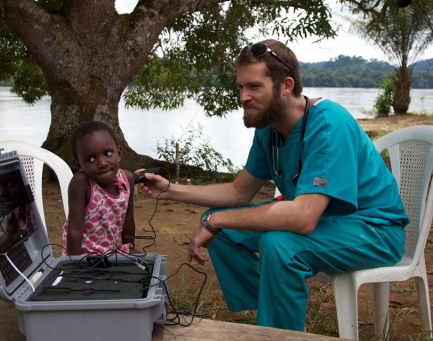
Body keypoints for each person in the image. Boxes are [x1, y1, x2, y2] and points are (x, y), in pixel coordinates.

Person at [137, 39, 409, 331]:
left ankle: (278, 332)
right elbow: (238, 191)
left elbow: (303, 218)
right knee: (222, 227)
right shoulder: (269, 129)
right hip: (325, 224)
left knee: (279, 244)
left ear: (286, 85)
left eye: (254, 87)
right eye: (240, 87)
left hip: (374, 231)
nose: (243, 96)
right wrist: (170, 190)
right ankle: (272, 314)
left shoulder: (329, 124)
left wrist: (217, 219)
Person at [62, 120, 136, 256]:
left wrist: (129, 251)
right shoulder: (81, 183)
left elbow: (128, 220)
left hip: (112, 255)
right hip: (84, 258)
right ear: (78, 165)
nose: (102, 163)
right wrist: (73, 267)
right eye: (90, 159)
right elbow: (74, 230)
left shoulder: (127, 179)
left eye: (108, 154)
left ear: (119, 153)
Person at [0, 170, 38, 251]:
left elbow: (31, 235)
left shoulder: (34, 212)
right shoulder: (17, 212)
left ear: (24, 182)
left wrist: (10, 239)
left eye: (9, 184)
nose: (2, 193)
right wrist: (9, 233)